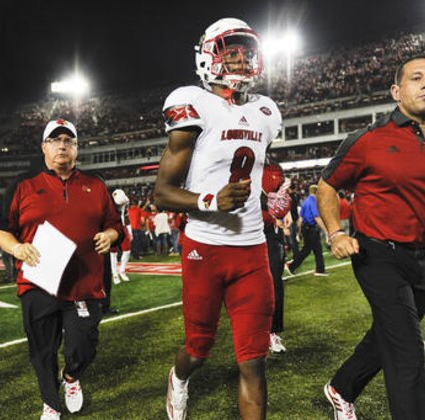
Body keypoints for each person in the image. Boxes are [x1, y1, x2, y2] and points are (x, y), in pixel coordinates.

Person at [317, 56, 425, 420]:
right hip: (377, 254)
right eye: (416, 78)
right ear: (397, 91)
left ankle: (342, 387)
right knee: (408, 349)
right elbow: (328, 185)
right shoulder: (368, 139)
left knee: (389, 335)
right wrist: (334, 233)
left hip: (424, 257)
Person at [153, 18, 281, 420]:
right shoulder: (192, 103)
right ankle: (179, 378)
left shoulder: (266, 110)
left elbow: (249, 172)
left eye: (247, 51)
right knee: (198, 349)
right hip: (204, 248)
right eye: (231, 51)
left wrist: (266, 197)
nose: (242, 58)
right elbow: (162, 193)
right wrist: (210, 199)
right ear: (210, 55)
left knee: (253, 361)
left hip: (252, 251)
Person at [0, 118, 121, 420]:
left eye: (69, 140)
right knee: (42, 349)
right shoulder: (22, 185)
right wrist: (16, 248)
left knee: (84, 345)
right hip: (38, 282)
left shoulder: (96, 185)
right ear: (44, 147)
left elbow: (115, 225)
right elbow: (0, 230)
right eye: (55, 140)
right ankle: (51, 404)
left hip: (84, 283)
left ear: (76, 148)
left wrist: (110, 235)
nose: (62, 145)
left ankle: (71, 377)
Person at [262, 163, 292, 353]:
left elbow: (280, 197)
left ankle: (272, 332)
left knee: (275, 284)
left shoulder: (272, 169)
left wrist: (286, 210)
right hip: (241, 231)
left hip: (267, 231)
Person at [286, 185, 329, 276]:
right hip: (311, 229)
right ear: (316, 192)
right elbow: (316, 217)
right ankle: (320, 270)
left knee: (306, 250)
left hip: (306, 229)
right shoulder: (313, 201)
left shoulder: (305, 202)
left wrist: (299, 232)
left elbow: (300, 219)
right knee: (317, 250)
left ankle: (292, 266)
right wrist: (325, 230)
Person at [110, 189, 132, 283]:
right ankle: (115, 274)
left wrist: (130, 231)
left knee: (127, 250)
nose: (120, 205)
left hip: (122, 227)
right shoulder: (107, 204)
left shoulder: (125, 201)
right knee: (113, 253)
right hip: (112, 228)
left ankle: (122, 271)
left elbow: (126, 216)